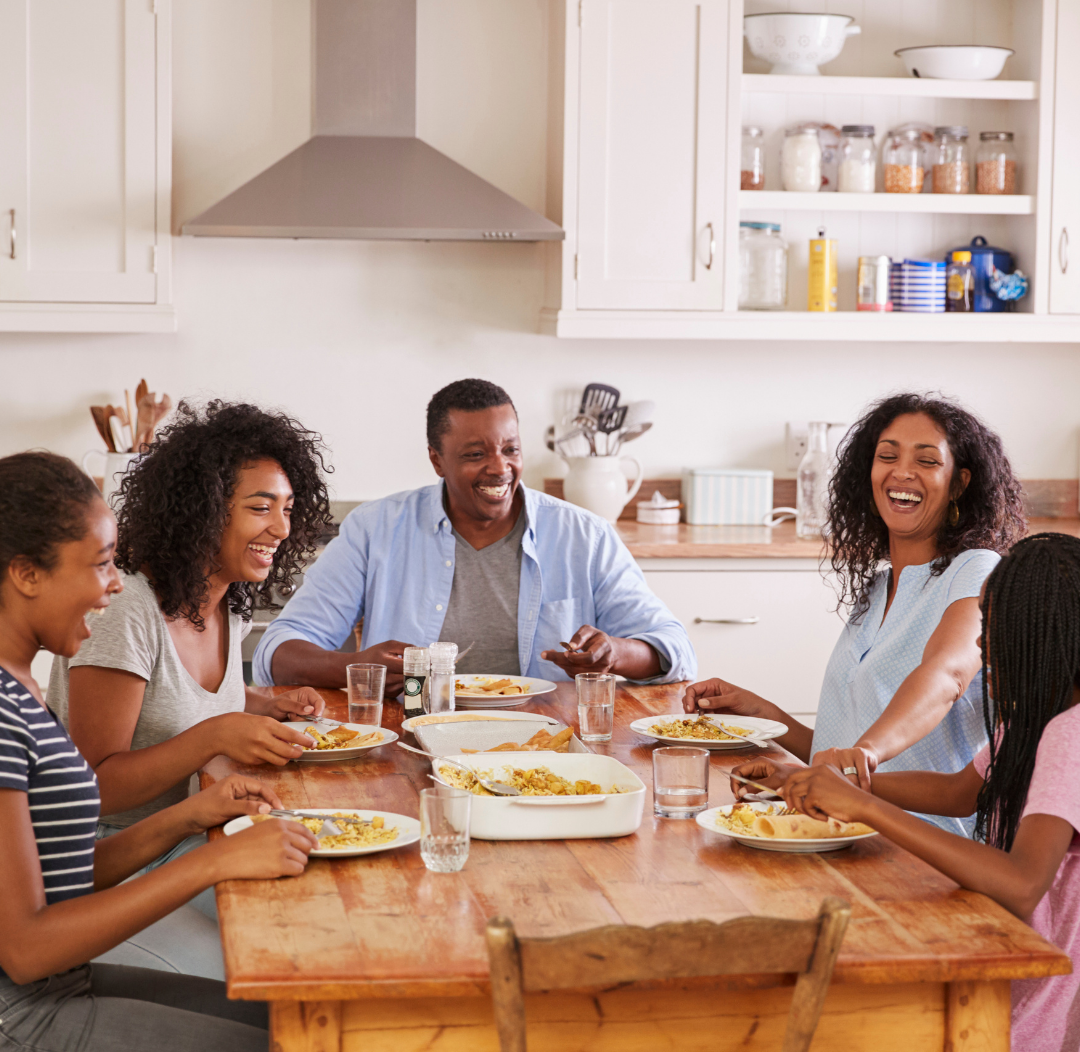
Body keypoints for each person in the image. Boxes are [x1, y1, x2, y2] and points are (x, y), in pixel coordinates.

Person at [0, 450, 317, 1052]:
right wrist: (212, 861)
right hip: (20, 1014)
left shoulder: (21, 688)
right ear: (27, 574)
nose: (116, 584)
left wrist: (194, 814)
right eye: (99, 565)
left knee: (293, 1022)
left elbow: (65, 876)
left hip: (61, 986)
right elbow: (23, 948)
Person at [755, 534, 1080, 1052]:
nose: (981, 647)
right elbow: (958, 793)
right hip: (997, 962)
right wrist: (836, 784)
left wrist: (865, 805)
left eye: (993, 629)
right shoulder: (1031, 720)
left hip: (1026, 1004)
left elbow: (1021, 884)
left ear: (1042, 636)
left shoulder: (1070, 734)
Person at [46, 401, 333, 973]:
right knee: (275, 965)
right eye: (260, 508)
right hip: (108, 863)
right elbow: (96, 785)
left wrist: (263, 702)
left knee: (320, 916)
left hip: (191, 834)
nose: (281, 528)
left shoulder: (228, 601)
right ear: (204, 512)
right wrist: (216, 735)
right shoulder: (126, 609)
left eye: (288, 509)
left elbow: (174, 696)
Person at [684, 393, 1026, 834]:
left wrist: (864, 753)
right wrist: (763, 715)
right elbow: (840, 756)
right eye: (887, 456)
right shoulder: (878, 588)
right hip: (845, 832)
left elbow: (948, 676)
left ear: (959, 484)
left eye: (926, 461)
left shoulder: (976, 570)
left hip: (923, 849)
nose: (902, 472)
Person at [254, 378, 695, 690]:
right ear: (436, 460)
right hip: (412, 740)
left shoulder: (585, 536)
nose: (500, 468)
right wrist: (353, 666)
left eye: (511, 449)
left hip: (550, 744)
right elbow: (276, 654)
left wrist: (614, 653)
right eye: (475, 454)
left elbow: (675, 649)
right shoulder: (375, 529)